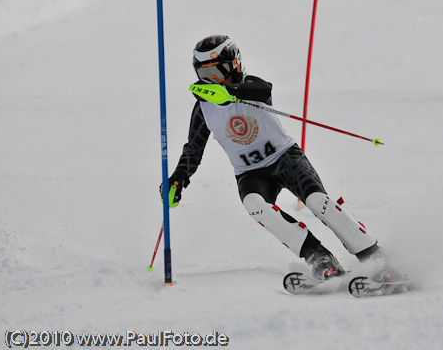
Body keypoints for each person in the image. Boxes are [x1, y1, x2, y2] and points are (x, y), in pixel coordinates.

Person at [161, 35, 397, 281]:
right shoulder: (204, 108)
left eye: (215, 72)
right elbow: (193, 150)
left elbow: (264, 90)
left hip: (286, 159)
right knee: (254, 205)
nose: (210, 80)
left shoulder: (250, 85)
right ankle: (320, 259)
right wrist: (178, 179)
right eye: (204, 73)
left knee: (318, 201)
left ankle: (375, 257)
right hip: (250, 173)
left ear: (234, 65)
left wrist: (227, 91)